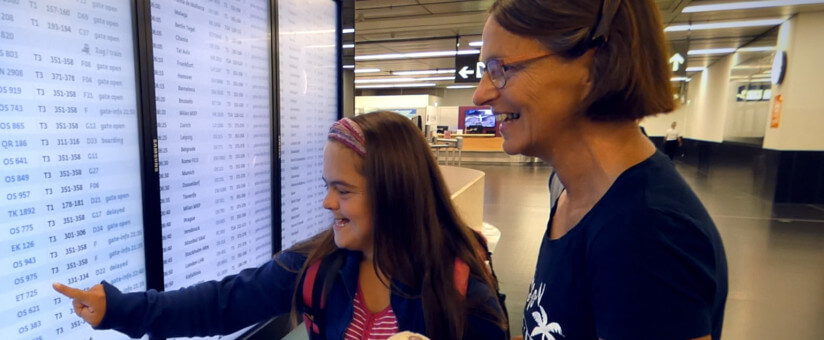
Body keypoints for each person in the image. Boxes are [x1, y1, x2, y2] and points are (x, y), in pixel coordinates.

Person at [53, 112, 510, 339]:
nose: (326, 201)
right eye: (326, 185)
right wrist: (119, 308)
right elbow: (222, 303)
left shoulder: (460, 295)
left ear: (395, 193)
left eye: (343, 190)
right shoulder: (316, 267)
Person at [472, 0, 728, 339]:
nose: (481, 94)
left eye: (501, 68)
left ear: (592, 66)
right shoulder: (567, 191)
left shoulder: (646, 234)